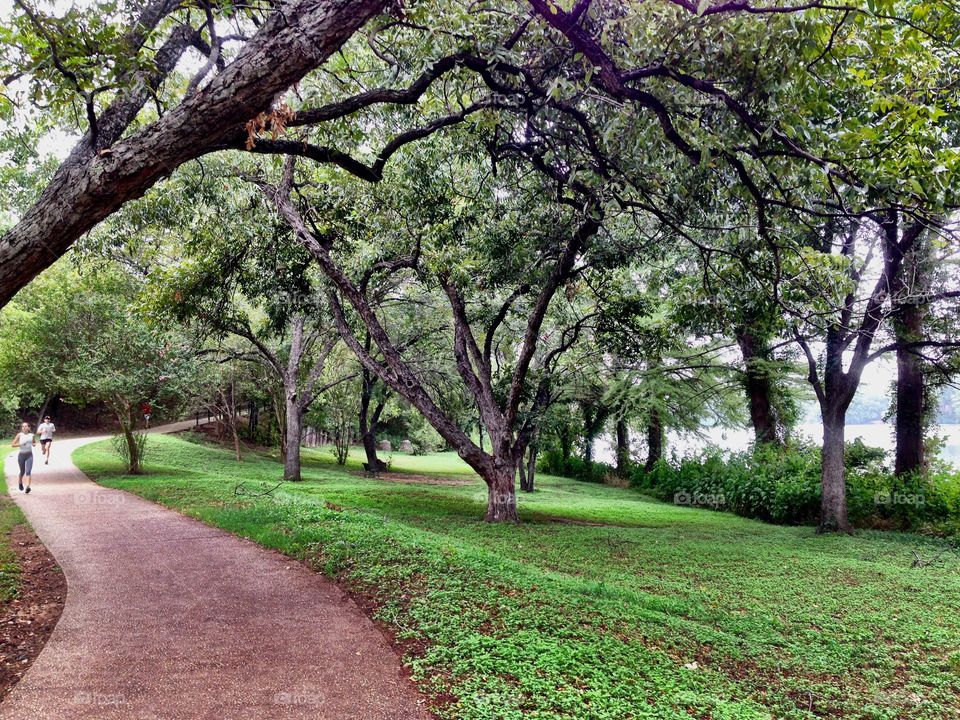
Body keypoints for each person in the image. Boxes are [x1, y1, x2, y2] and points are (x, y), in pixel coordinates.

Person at [11, 422, 35, 493]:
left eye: (25, 426)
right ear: (22, 428)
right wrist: (21, 444)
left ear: (28, 427)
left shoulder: (31, 435)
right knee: (22, 471)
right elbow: (12, 445)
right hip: (21, 455)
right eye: (23, 427)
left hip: (29, 455)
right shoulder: (19, 435)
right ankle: (20, 482)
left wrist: (33, 444)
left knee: (28, 471)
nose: (24, 428)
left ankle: (28, 487)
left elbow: (34, 442)